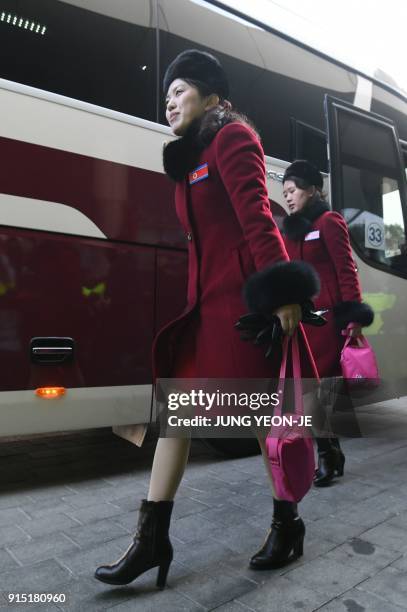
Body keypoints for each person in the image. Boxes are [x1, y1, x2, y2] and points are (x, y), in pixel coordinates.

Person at [94, 50, 320, 588]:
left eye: (179, 90)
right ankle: (151, 540)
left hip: (244, 310)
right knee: (179, 415)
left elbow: (257, 219)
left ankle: (288, 525)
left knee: (268, 418)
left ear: (211, 95)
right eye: (165, 94)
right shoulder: (191, 158)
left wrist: (282, 294)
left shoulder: (232, 139)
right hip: (205, 308)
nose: (168, 101)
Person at [281, 160, 374, 486]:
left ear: (311, 189)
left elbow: (346, 270)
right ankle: (329, 452)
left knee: (315, 393)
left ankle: (327, 454)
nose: (288, 198)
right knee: (306, 392)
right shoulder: (289, 230)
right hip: (301, 325)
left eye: (292, 191)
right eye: (285, 193)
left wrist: (353, 318)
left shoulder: (329, 221)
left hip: (328, 323)